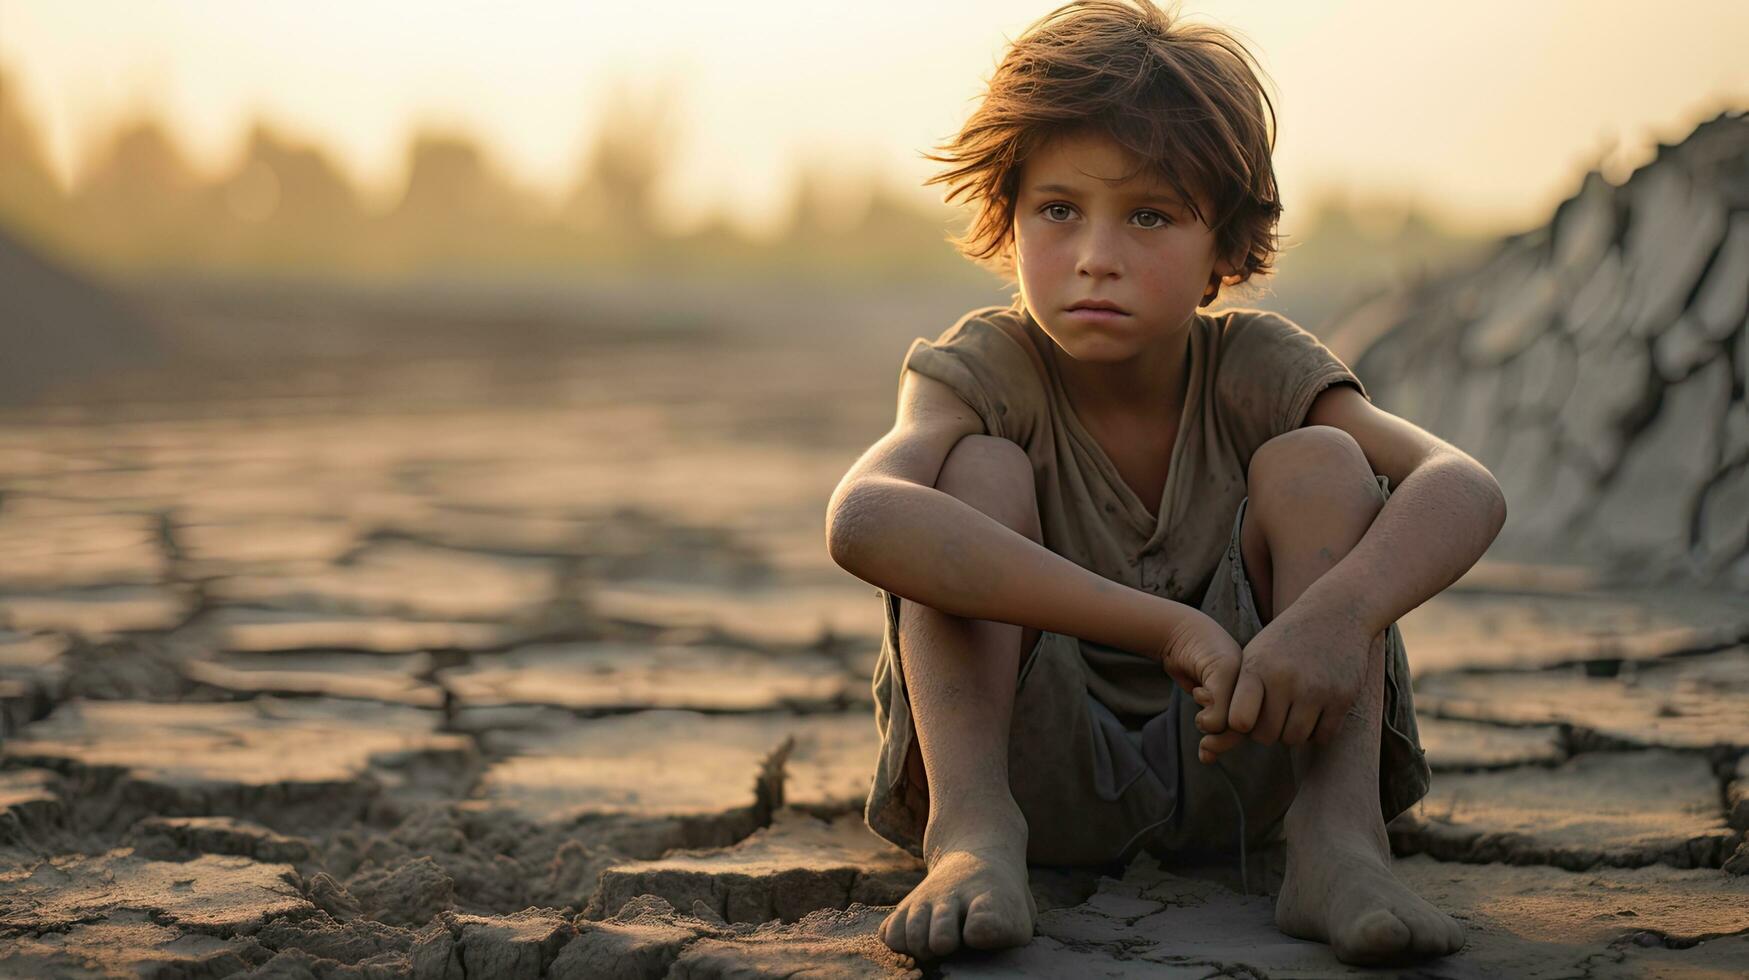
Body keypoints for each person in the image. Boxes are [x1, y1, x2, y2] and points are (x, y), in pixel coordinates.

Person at [823, 0, 1507, 967]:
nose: (1096, 256)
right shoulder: (979, 369)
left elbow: (1462, 485)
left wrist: (1333, 619)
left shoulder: (1257, 368)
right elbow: (863, 517)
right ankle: (971, 841)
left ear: (1224, 250)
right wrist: (1166, 628)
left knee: (1321, 461)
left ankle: (1337, 845)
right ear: (1007, 218)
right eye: (1057, 210)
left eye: (1149, 215)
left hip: (1251, 746)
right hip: (1032, 769)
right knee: (970, 475)